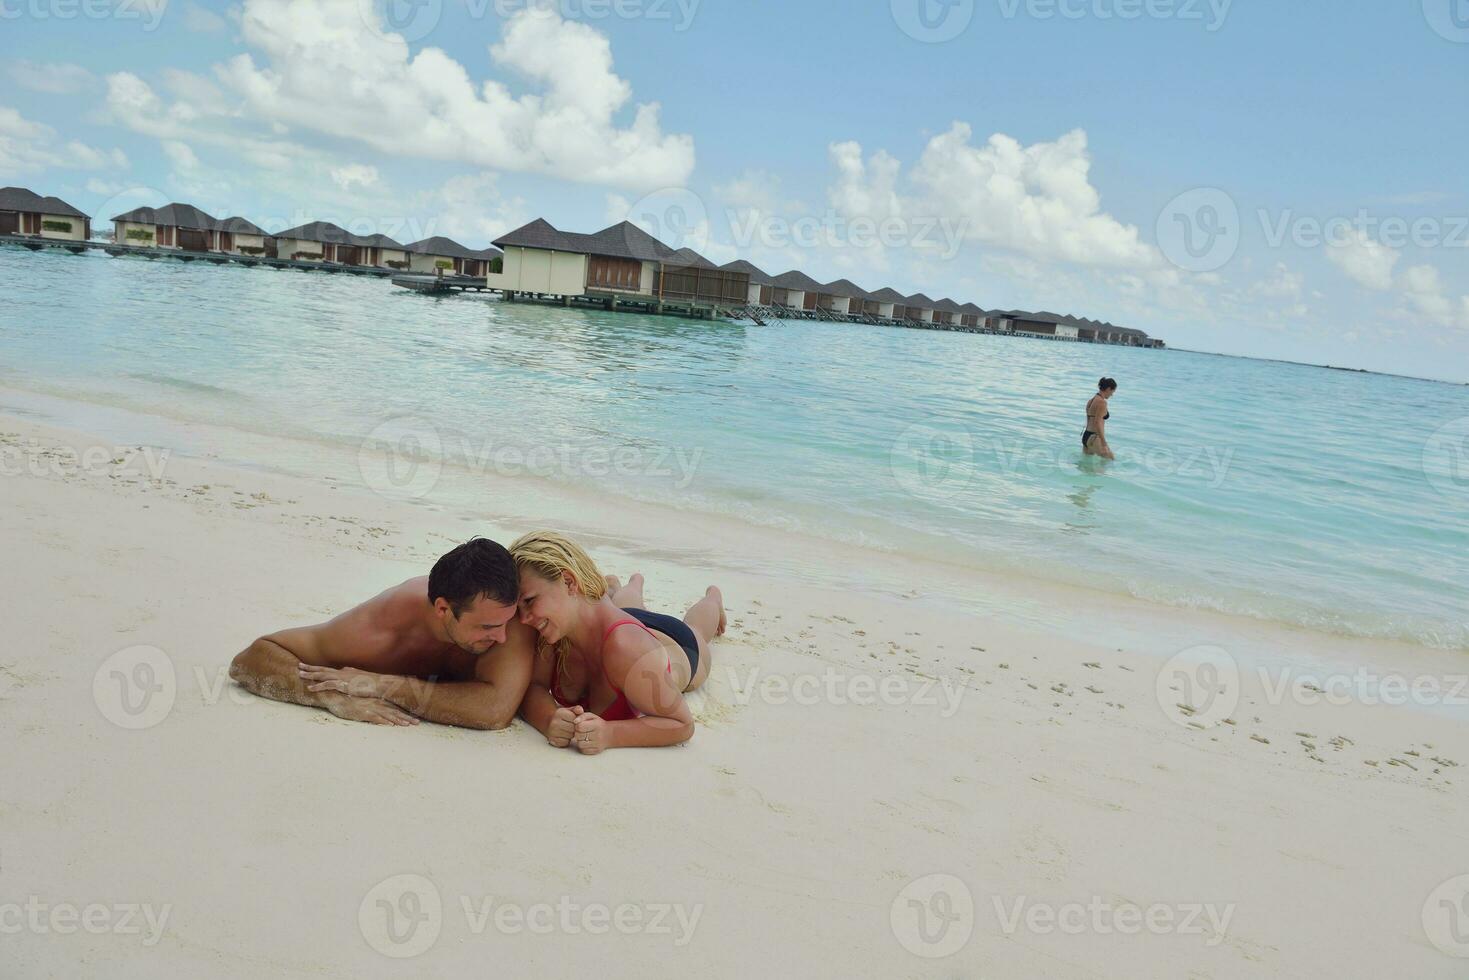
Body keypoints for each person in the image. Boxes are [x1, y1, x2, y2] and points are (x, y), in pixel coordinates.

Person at [229, 538, 536, 729]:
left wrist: (380, 685)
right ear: (443, 609)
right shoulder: (380, 630)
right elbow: (250, 660)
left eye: (505, 623)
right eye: (486, 627)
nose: (502, 638)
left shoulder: (507, 616)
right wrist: (330, 696)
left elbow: (494, 711)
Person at [511, 531, 725, 754]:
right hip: (615, 617)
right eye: (519, 609)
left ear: (569, 582)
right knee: (629, 607)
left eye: (529, 601)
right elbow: (534, 686)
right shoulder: (552, 631)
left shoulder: (627, 649)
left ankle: (714, 598)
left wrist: (609, 734)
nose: (524, 619)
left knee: (698, 629)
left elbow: (682, 724)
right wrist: (548, 718)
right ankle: (632, 583)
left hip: (677, 645)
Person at [1083, 377, 1118, 460]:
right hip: (1094, 437)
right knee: (1111, 459)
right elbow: (1097, 422)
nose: (1112, 395)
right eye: (1112, 392)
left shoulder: (1091, 401)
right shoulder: (1102, 403)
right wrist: (1104, 443)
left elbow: (1088, 420)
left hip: (1086, 436)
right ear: (1108, 389)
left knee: (1086, 468)